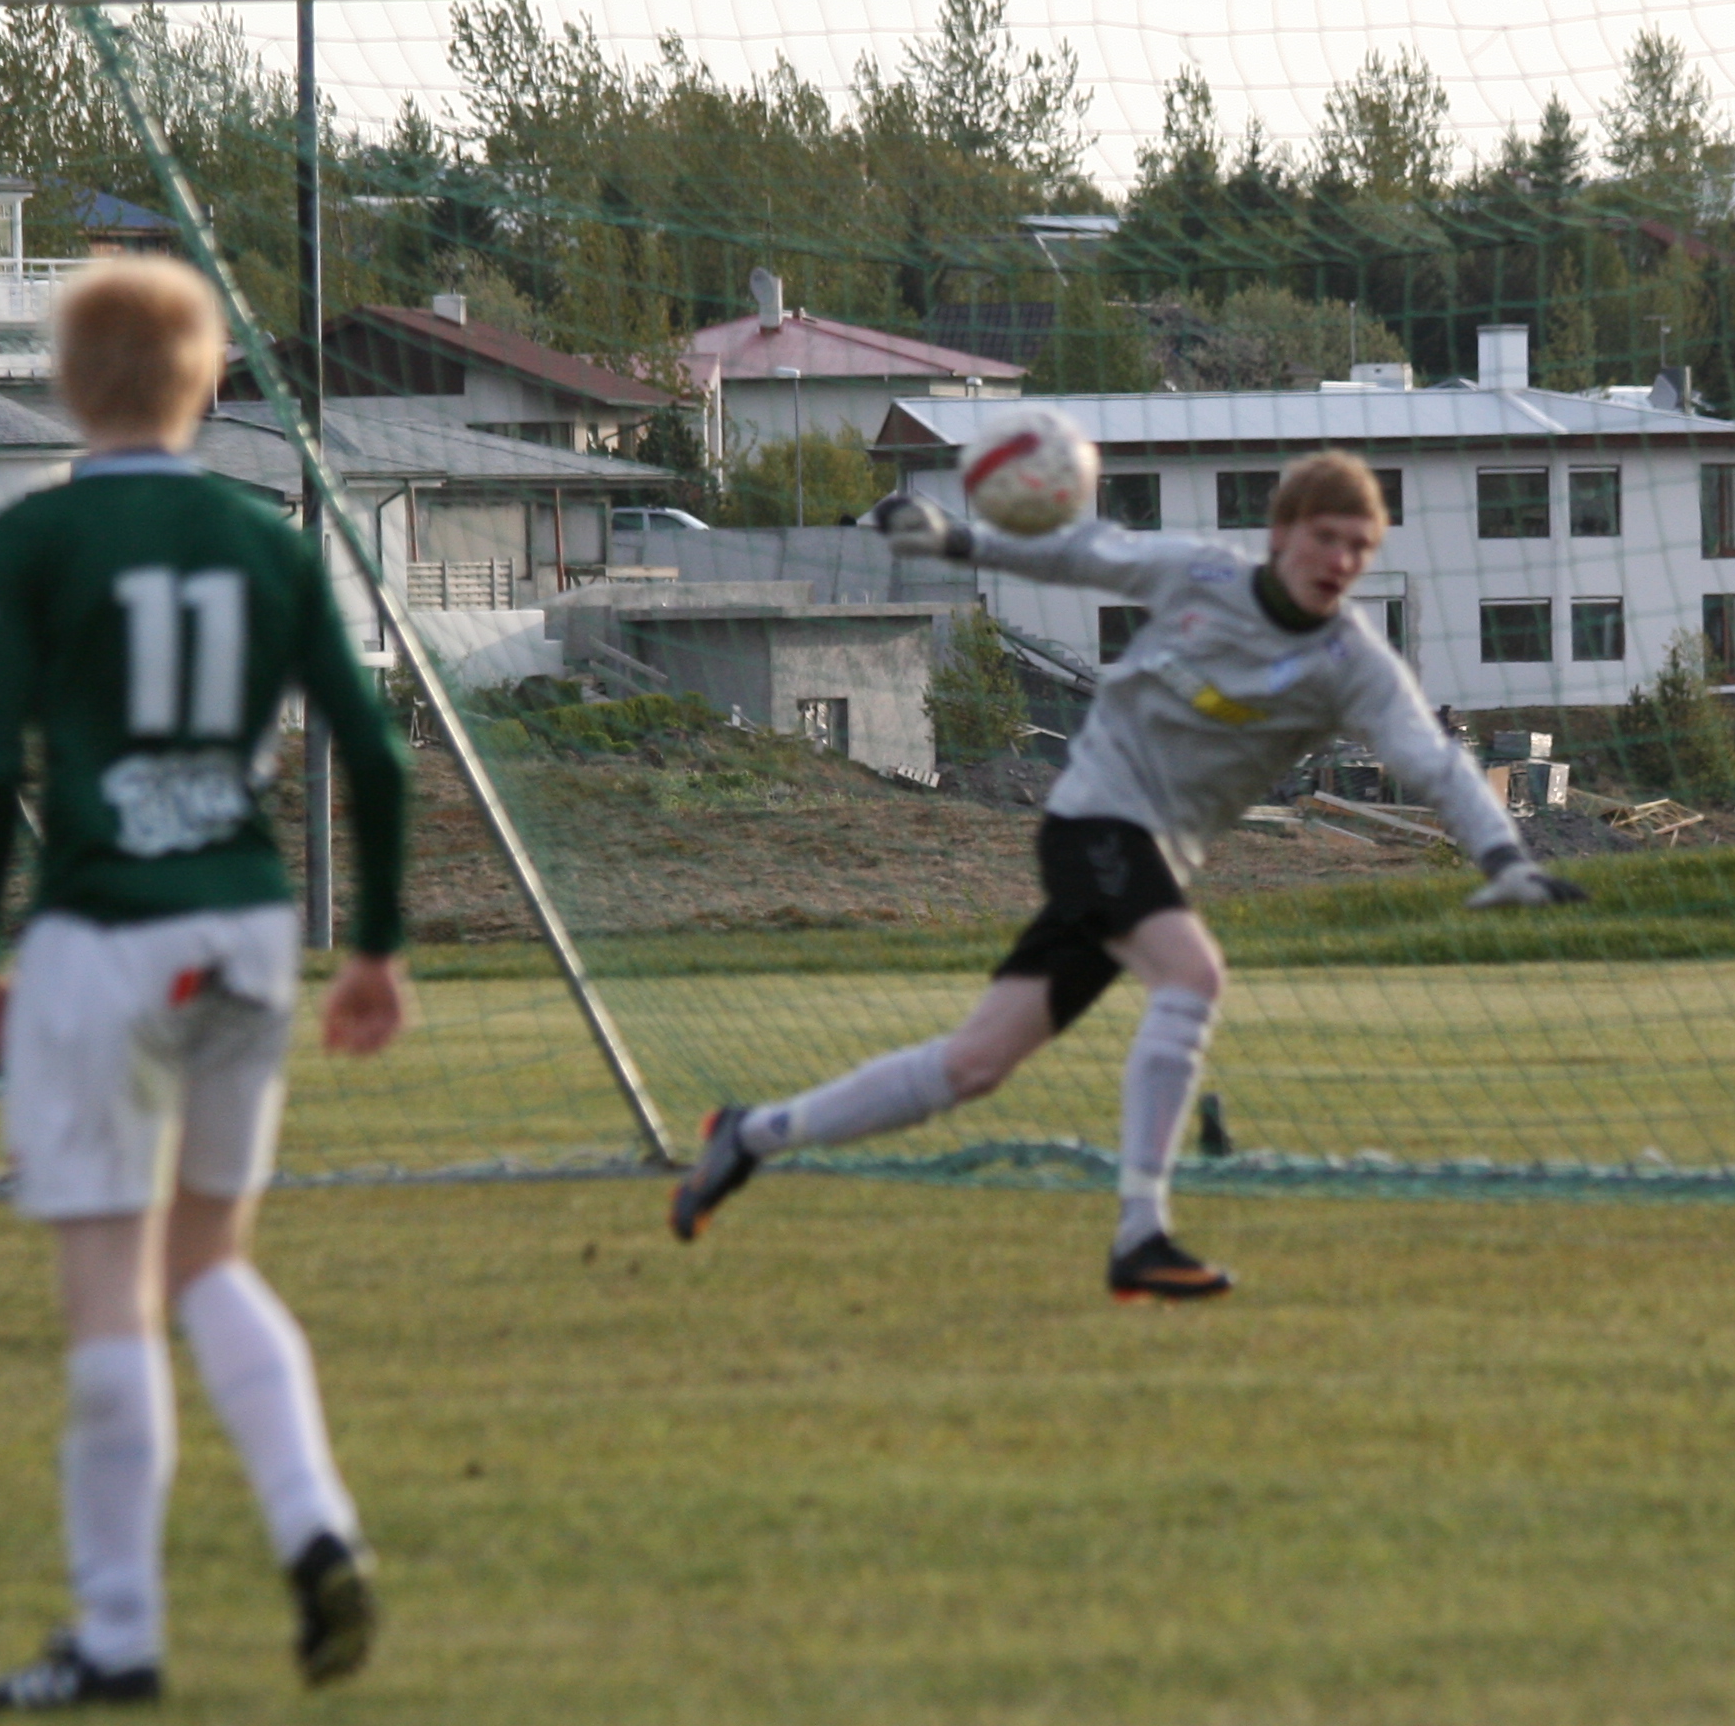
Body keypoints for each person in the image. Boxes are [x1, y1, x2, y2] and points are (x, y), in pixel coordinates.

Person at [669, 444, 1585, 1298]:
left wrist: (1503, 855)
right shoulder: (1200, 575)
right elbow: (1080, 553)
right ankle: (1140, 1233)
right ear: (1281, 535)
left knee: (972, 1065)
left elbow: (1433, 760)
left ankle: (751, 1134)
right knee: (1192, 974)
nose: (1341, 559)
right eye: (1326, 536)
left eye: (1359, 546)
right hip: (1095, 820)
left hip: (1149, 856)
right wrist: (955, 539)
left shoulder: (1352, 663)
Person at [0, 256, 414, 1712]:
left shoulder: (33, 541)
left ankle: (120, 1636)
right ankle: (316, 1524)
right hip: (246, 930)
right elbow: (377, 753)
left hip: (104, 936)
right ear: (208, 382)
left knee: (108, 1283)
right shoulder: (266, 538)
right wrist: (377, 945)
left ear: (65, 386)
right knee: (207, 1258)